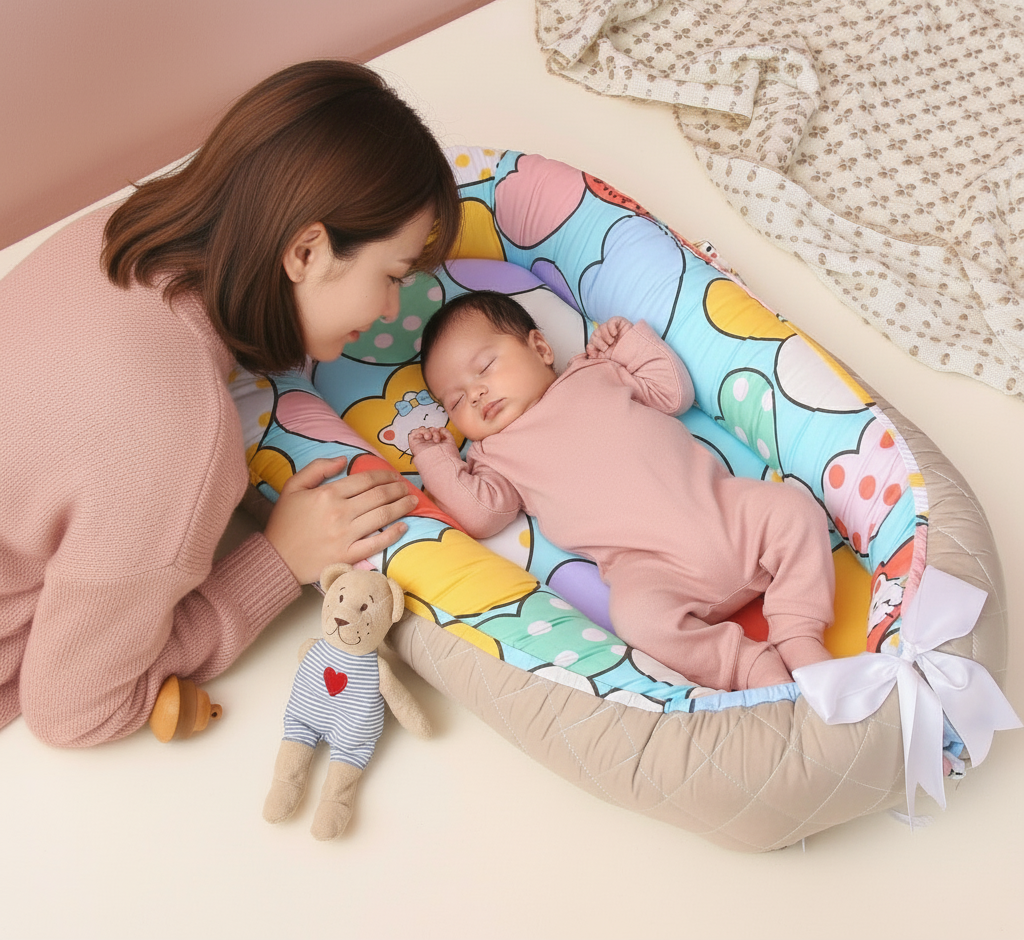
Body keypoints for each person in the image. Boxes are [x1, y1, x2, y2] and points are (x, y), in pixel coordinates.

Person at [0, 60, 461, 747]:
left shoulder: (111, 231)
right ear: (306, 250)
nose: (394, 307)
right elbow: (73, 710)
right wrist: (277, 561)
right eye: (391, 276)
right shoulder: (179, 445)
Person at [408, 291, 835, 692]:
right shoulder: (493, 454)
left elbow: (672, 391)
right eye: (455, 401)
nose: (476, 393)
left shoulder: (595, 371)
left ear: (540, 348)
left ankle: (798, 634)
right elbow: (482, 515)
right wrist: (437, 459)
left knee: (794, 510)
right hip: (650, 571)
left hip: (726, 512)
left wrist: (626, 342)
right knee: (637, 622)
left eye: (484, 368)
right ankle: (750, 667)